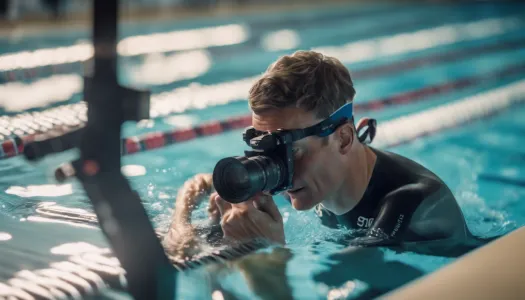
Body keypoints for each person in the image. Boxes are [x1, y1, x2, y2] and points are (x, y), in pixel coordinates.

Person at [164, 50, 495, 260]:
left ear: (344, 139)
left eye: (291, 149)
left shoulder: (409, 203)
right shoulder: (306, 176)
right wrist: (182, 228)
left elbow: (345, 277)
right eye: (267, 149)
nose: (281, 168)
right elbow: (201, 183)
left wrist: (269, 252)